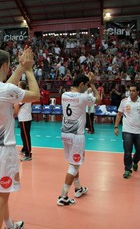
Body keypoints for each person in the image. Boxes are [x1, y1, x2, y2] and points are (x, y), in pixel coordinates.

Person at [0, 47, 40, 229]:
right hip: (3, 150)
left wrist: (20, 66)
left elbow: (7, 88)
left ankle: (10, 225)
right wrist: (28, 69)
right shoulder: (5, 90)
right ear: (5, 65)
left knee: (0, 193)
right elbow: (35, 95)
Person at [57, 72, 101, 206]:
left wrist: (87, 86)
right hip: (77, 136)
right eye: (85, 85)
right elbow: (98, 99)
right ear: (81, 84)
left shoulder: (64, 95)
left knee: (73, 162)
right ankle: (63, 196)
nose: (86, 87)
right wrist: (93, 84)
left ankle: (78, 188)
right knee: (74, 165)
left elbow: (80, 96)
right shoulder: (83, 97)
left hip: (65, 133)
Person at [114, 85, 140, 179]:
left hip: (139, 131)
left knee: (139, 150)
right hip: (127, 130)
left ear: (137, 92)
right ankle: (127, 169)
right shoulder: (124, 101)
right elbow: (119, 114)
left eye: (133, 90)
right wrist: (116, 127)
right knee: (127, 151)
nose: (131, 92)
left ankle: (135, 161)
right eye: (130, 90)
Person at [14, 81, 33, 161]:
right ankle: (25, 149)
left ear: (21, 87)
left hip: (24, 119)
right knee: (24, 135)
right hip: (25, 118)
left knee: (25, 136)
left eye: (18, 85)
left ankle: (28, 154)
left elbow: (17, 106)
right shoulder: (26, 94)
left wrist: (14, 114)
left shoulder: (23, 95)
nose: (17, 87)